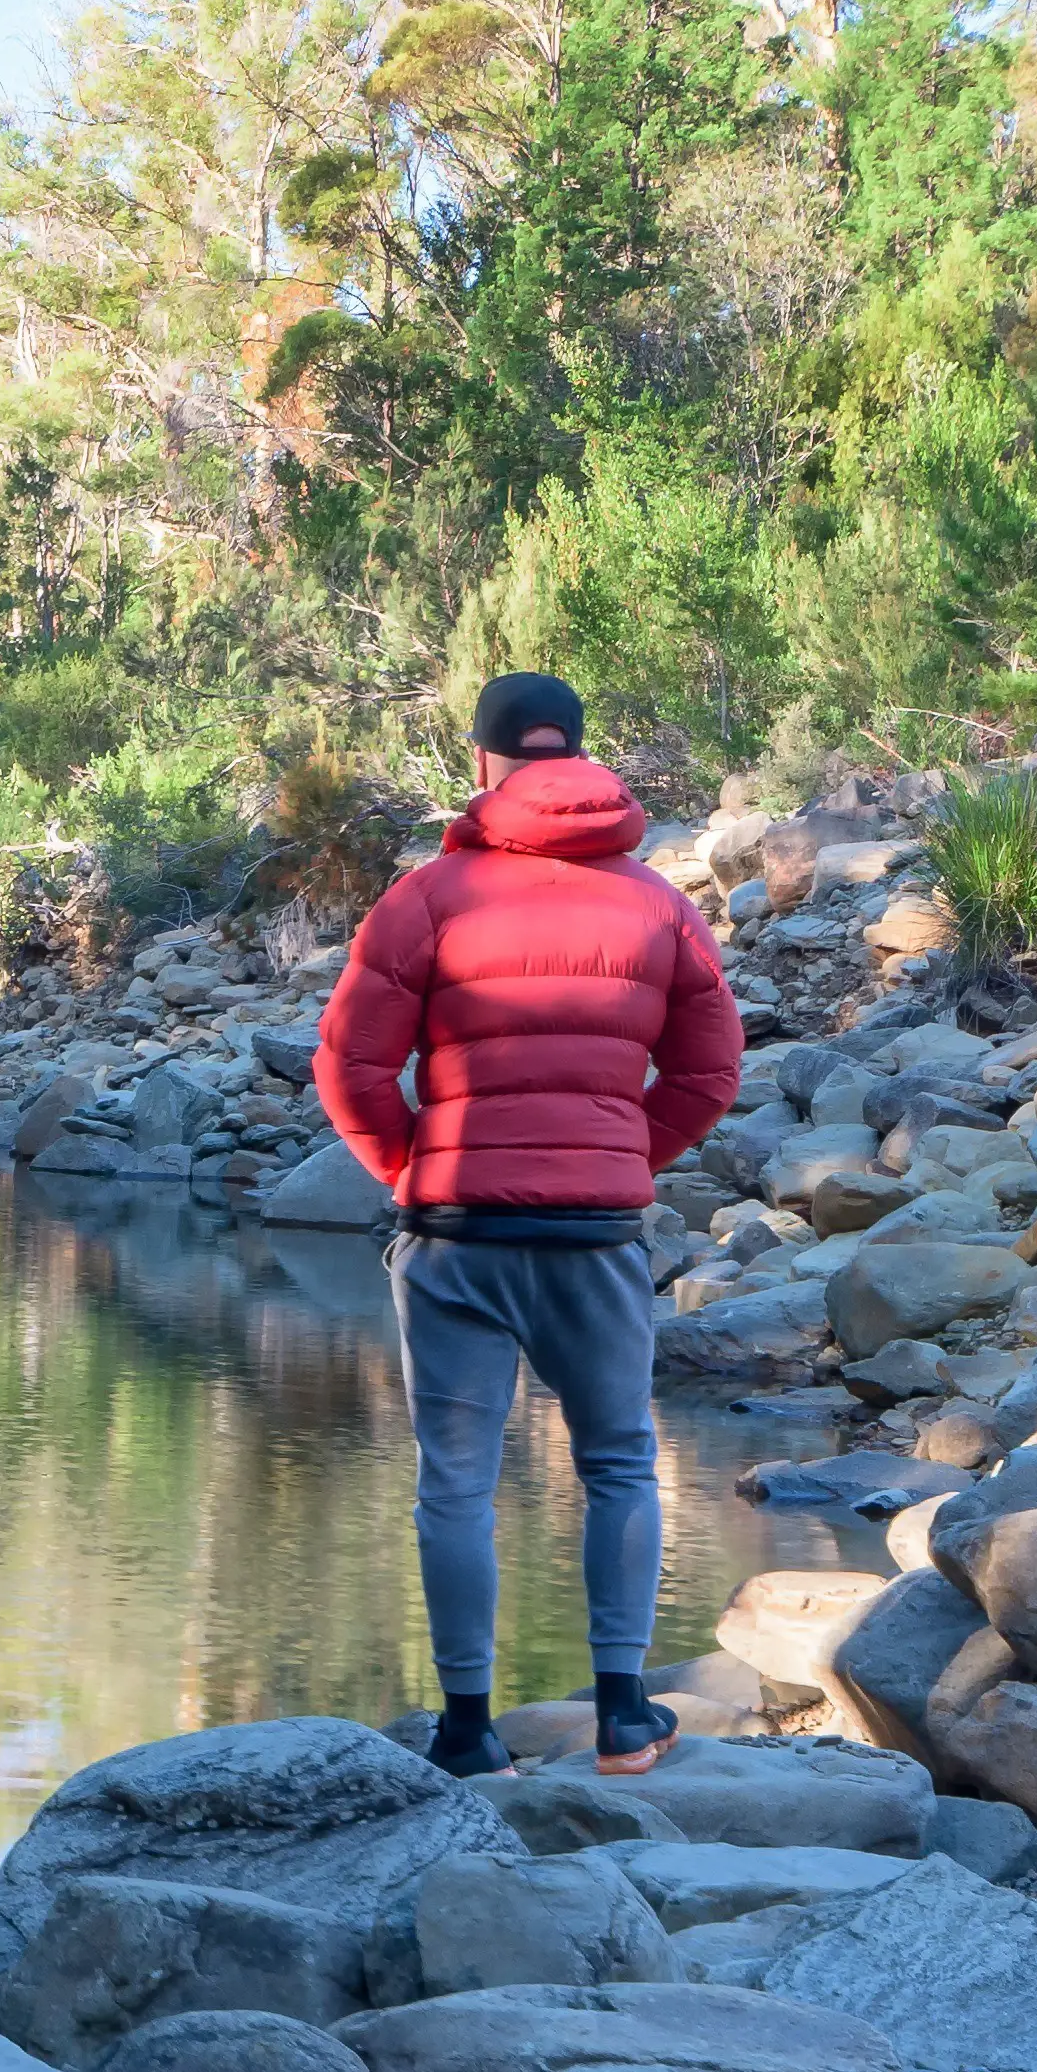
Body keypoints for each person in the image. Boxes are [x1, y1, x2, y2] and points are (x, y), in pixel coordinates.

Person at [315, 672, 742, 1779]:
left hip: (455, 1228)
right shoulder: (659, 903)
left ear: (483, 764)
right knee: (617, 1464)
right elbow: (710, 1068)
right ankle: (624, 1717)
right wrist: (618, 1158)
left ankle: (466, 1731)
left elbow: (349, 1063)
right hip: (596, 1236)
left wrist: (407, 1163)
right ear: (580, 758)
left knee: (455, 1480)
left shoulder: (428, 897)